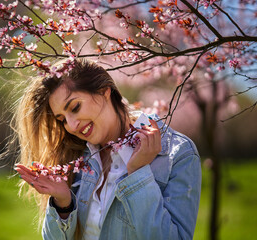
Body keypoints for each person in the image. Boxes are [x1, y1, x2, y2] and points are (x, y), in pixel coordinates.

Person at [13, 59, 201, 239]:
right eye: (62, 119)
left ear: (104, 91)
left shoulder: (177, 154)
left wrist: (138, 175)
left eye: (75, 107)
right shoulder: (77, 158)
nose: (71, 125)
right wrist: (63, 203)